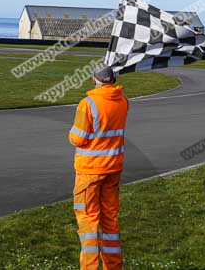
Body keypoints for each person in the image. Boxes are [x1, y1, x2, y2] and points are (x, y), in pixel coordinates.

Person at [68, 66, 129, 270]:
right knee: (110, 219)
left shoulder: (88, 104)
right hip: (113, 168)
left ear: (94, 80)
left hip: (90, 171)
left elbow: (77, 138)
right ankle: (113, 266)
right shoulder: (123, 101)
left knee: (88, 222)